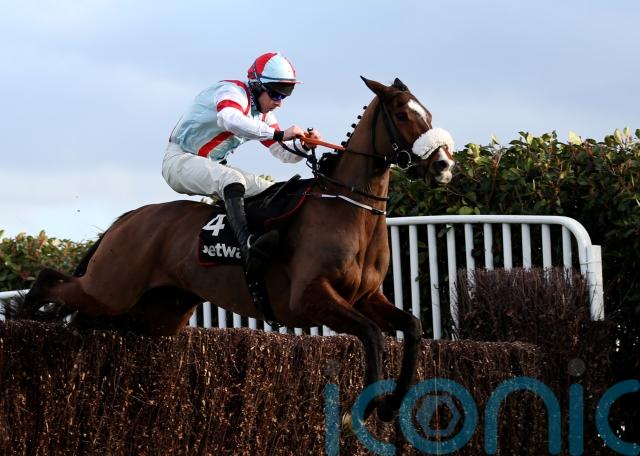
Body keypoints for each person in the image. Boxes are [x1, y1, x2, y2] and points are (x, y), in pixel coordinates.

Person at [162, 52, 322, 274]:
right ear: (256, 86)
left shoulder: (264, 116)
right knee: (232, 179)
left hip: (212, 165)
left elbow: (283, 153)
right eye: (275, 94)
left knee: (273, 190)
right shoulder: (231, 91)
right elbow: (230, 120)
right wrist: (280, 134)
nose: (279, 103)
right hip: (179, 161)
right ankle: (247, 246)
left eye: (285, 96)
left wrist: (304, 146)